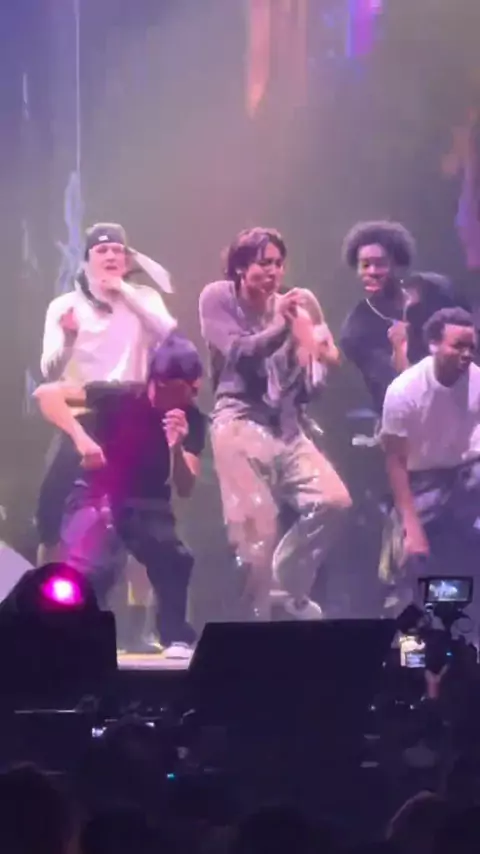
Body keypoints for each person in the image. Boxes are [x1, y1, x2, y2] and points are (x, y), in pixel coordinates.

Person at [199, 226, 351, 621]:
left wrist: (317, 354)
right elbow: (239, 353)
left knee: (333, 502)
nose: (273, 271)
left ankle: (288, 585)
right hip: (239, 419)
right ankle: (255, 625)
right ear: (240, 267)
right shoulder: (218, 298)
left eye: (278, 263)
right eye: (263, 263)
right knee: (257, 532)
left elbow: (315, 376)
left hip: (285, 424)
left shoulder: (293, 305)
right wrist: (284, 326)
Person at [33, 332, 206, 660]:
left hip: (148, 503)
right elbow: (46, 394)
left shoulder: (192, 419)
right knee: (91, 570)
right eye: (184, 389)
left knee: (175, 558)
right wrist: (82, 439)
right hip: (96, 494)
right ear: (159, 382)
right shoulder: (119, 396)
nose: (190, 396)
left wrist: (177, 446)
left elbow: (185, 488)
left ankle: (175, 636)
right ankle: (74, 641)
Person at [36, 221, 176, 562]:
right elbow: (48, 372)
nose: (111, 256)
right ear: (87, 260)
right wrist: (68, 339)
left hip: (133, 416)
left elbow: (169, 333)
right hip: (83, 414)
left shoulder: (144, 298)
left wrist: (123, 290)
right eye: (102, 250)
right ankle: (45, 584)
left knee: (144, 525)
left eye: (117, 250)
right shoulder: (64, 305)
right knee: (49, 512)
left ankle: (141, 597)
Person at [381, 307, 480, 589]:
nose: (466, 354)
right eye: (458, 346)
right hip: (422, 481)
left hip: (468, 474)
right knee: (413, 560)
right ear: (434, 344)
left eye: (471, 347)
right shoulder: (404, 391)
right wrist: (411, 525)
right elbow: (396, 461)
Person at [340, 220, 416, 414]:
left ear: (397, 264)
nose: (372, 272)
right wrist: (399, 350)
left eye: (380, 264)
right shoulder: (356, 329)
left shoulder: (430, 294)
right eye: (365, 265)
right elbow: (394, 388)